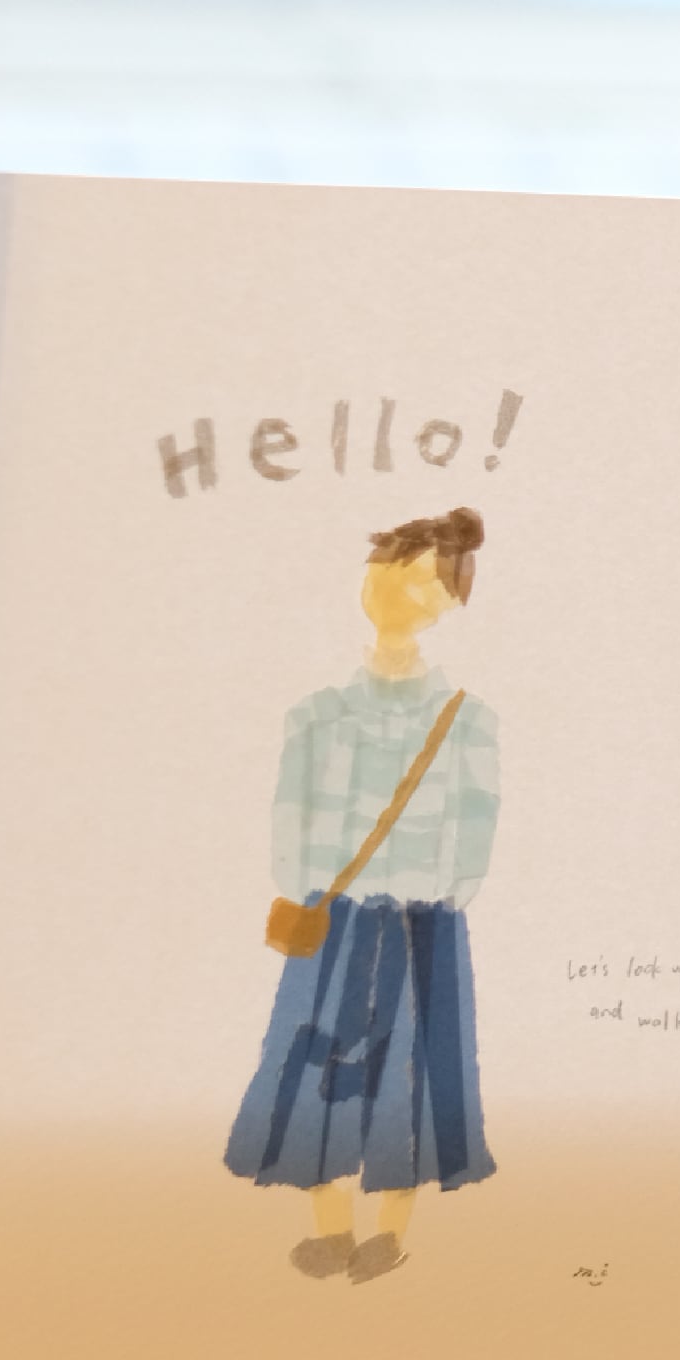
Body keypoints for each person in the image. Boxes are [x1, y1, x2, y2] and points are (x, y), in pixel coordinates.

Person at [224, 507, 500, 1279]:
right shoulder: (317, 714)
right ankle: (331, 1230)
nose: (395, 591)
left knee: (410, 1065)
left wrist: (442, 893)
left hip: (421, 921)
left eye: (419, 581)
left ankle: (389, 1233)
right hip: (336, 918)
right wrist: (305, 885)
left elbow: (474, 826)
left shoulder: (466, 720)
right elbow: (290, 813)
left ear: (445, 602)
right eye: (388, 570)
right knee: (320, 1059)